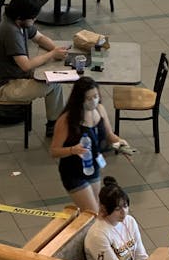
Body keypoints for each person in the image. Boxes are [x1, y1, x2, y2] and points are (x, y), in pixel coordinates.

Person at [0, 0, 68, 138]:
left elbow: (39, 38)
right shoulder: (10, 32)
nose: (34, 20)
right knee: (54, 83)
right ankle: (54, 125)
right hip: (4, 88)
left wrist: (58, 50)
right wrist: (52, 54)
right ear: (21, 17)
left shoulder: (16, 22)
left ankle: (55, 122)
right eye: (33, 18)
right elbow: (26, 65)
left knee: (51, 78)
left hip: (13, 77)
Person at [50, 77, 128, 212]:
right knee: (92, 212)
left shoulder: (100, 109)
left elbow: (109, 135)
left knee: (96, 208)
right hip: (73, 171)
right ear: (80, 99)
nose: (94, 101)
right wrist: (72, 150)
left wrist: (122, 146)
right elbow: (54, 151)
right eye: (89, 98)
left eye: (96, 96)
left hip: (93, 166)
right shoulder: (66, 120)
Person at [83, 176, 148, 260]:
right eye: (117, 209)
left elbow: (141, 256)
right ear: (104, 209)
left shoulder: (130, 221)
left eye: (125, 206)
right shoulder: (98, 235)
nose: (124, 213)